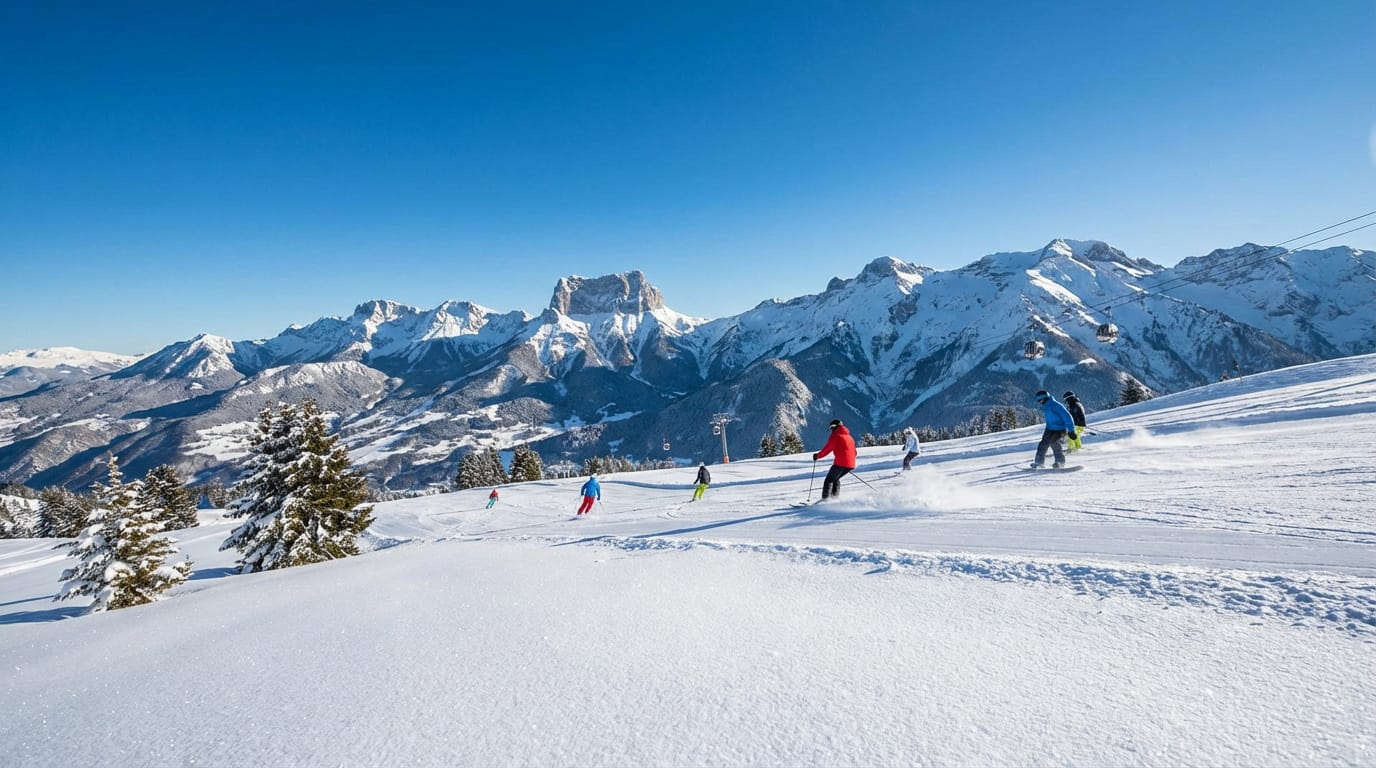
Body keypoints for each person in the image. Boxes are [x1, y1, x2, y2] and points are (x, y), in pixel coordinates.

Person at [812, 419, 857, 499]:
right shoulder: (850, 437)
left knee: (829, 480)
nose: (831, 430)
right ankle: (834, 498)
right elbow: (855, 452)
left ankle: (825, 500)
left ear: (836, 427)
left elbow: (827, 449)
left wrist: (817, 456)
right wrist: (848, 461)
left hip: (840, 463)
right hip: (851, 464)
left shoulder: (836, 436)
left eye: (832, 427)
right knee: (835, 479)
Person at [1030, 390, 1076, 469]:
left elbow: (1067, 416)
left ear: (1045, 398)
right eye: (1038, 401)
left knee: (1054, 443)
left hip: (1060, 429)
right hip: (1049, 429)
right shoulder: (1046, 406)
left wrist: (1071, 430)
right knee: (1043, 445)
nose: (1040, 402)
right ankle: (1039, 463)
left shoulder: (1056, 405)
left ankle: (1060, 462)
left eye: (1040, 400)